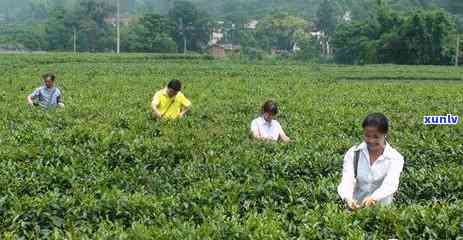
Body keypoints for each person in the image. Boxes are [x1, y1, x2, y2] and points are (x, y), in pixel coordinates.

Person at [338, 113, 404, 210]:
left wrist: (373, 198)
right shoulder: (354, 153)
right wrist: (347, 198)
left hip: (382, 210)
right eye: (367, 135)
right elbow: (347, 179)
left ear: (385, 135)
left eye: (376, 137)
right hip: (355, 208)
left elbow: (391, 183)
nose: (371, 140)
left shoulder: (395, 157)